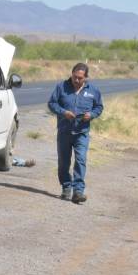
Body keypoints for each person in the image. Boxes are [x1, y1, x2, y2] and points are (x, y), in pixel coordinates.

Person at [47, 62, 104, 204]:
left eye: (80, 78)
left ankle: (78, 191)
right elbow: (52, 103)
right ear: (71, 75)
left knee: (80, 160)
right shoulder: (61, 87)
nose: (77, 80)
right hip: (64, 131)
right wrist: (63, 112)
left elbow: (99, 107)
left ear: (86, 78)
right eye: (74, 77)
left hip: (82, 132)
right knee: (64, 162)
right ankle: (66, 187)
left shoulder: (93, 91)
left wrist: (91, 114)